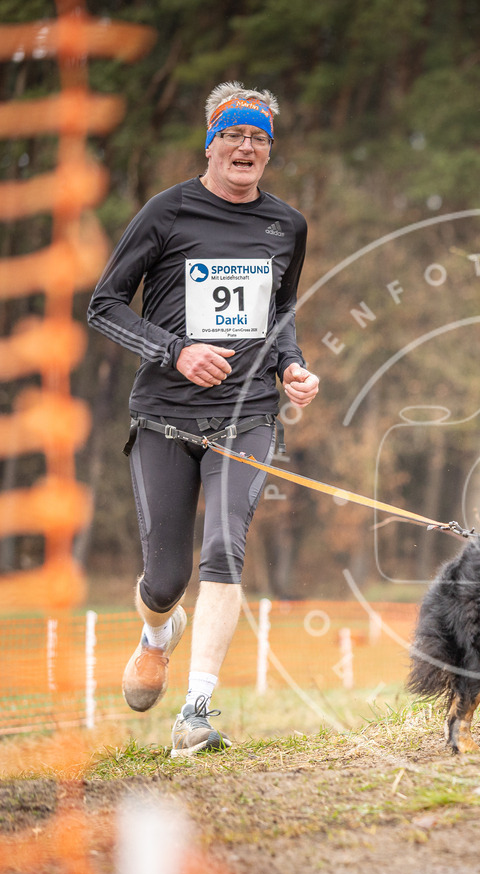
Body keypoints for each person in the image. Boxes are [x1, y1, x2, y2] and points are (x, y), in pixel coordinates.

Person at [87, 81, 318, 757]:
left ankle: (195, 712)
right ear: (211, 141)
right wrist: (175, 351)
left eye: (258, 138)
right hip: (164, 415)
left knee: (224, 546)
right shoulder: (167, 212)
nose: (245, 148)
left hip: (246, 416)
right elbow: (104, 304)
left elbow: (282, 311)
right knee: (164, 579)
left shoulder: (286, 225)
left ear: (268, 149)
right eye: (234, 135)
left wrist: (291, 367)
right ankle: (157, 633)